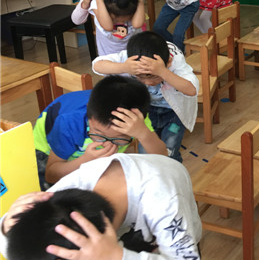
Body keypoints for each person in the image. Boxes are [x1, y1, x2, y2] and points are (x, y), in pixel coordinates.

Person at [1, 153, 202, 260]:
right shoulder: (54, 202)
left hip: (169, 239)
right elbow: (17, 248)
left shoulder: (164, 203)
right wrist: (6, 224)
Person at [33, 75, 166, 191]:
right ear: (89, 116)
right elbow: (51, 175)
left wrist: (143, 133)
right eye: (97, 133)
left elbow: (162, 157)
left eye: (119, 139)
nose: (107, 144)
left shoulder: (134, 119)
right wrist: (85, 160)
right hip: (47, 152)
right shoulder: (69, 122)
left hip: (85, 155)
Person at [92, 31, 199, 162]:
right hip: (148, 111)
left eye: (155, 77)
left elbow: (191, 90)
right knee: (146, 152)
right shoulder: (133, 57)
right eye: (141, 78)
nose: (148, 83)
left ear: (169, 62)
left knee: (170, 152)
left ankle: (174, 169)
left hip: (174, 113)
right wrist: (124, 67)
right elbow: (97, 65)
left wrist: (163, 72)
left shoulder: (175, 60)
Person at [71, 0, 145, 55]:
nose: (121, 23)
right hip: (108, 55)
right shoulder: (96, 1)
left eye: (127, 18)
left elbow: (137, 24)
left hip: (133, 52)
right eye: (115, 19)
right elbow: (76, 20)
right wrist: (85, 5)